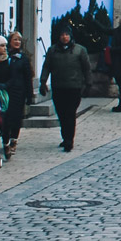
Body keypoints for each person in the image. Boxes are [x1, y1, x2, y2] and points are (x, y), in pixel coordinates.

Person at [38, 23, 92, 151]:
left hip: (74, 87)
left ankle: (69, 140)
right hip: (58, 87)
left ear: (71, 36)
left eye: (67, 34)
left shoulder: (80, 50)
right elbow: (46, 67)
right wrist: (43, 82)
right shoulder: (52, 50)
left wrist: (88, 84)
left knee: (70, 114)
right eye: (62, 35)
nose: (64, 37)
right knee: (61, 114)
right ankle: (65, 136)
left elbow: (87, 68)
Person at [2, 32, 34, 157]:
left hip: (19, 92)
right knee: (5, 119)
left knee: (16, 119)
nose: (17, 42)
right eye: (15, 40)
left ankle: (13, 140)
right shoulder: (5, 57)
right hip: (6, 91)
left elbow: (28, 77)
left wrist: (29, 95)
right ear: (9, 41)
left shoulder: (23, 59)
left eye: (19, 40)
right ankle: (5, 142)